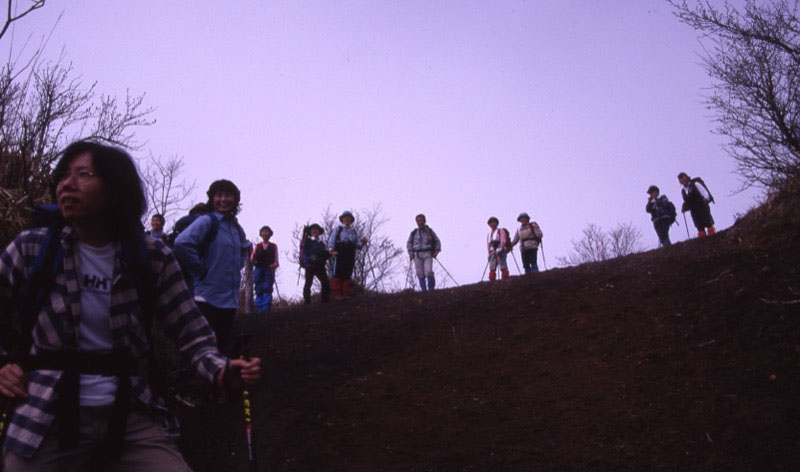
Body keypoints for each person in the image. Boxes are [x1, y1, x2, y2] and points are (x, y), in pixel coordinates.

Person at [0, 141, 260, 471]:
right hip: (45, 413)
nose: (67, 184)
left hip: (130, 413)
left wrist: (221, 370)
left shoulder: (151, 256)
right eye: (63, 175)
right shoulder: (33, 248)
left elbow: (191, 332)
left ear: (115, 189)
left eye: (83, 174)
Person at [174, 180, 249, 357]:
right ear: (212, 199)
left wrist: (238, 265)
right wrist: (199, 270)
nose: (223, 199)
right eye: (218, 195)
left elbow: (245, 247)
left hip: (229, 300)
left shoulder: (235, 227)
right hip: (206, 298)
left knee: (222, 348)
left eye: (228, 195)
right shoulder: (207, 221)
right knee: (206, 349)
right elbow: (182, 243)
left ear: (235, 200)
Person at [328, 211, 366, 300]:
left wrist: (362, 243)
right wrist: (331, 250)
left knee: (347, 273)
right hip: (340, 252)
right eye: (345, 217)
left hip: (350, 254)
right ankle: (336, 294)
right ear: (342, 219)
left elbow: (357, 245)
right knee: (338, 273)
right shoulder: (338, 229)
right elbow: (332, 239)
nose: (347, 219)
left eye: (349, 218)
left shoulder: (353, 232)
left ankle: (344, 294)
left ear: (351, 220)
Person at [406, 214, 442, 291]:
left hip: (427, 253)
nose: (420, 222)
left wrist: (436, 252)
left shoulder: (429, 231)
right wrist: (410, 253)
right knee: (420, 274)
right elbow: (409, 244)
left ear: (425, 221)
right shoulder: (413, 233)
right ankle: (424, 291)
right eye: (418, 221)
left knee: (428, 272)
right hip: (417, 255)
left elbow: (437, 241)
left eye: (421, 220)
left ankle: (431, 290)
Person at [250, 226, 279, 313]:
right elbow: (252, 258)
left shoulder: (273, 246)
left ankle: (265, 308)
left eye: (267, 232)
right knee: (258, 288)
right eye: (263, 232)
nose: (265, 233)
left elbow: (276, 260)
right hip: (258, 269)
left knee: (267, 288)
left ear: (270, 234)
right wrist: (253, 258)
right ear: (261, 234)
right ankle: (258, 309)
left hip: (268, 269)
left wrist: (274, 265)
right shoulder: (257, 246)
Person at [678, 172, 715, 237]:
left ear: (686, 177)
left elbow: (705, 193)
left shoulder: (695, 184)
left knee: (708, 222)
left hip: (702, 206)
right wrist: (684, 207)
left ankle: (713, 236)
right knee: (699, 225)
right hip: (693, 210)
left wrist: (705, 199)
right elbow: (687, 201)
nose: (682, 180)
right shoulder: (683, 191)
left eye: (683, 177)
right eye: (680, 179)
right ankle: (703, 239)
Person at [300, 224, 331, 304]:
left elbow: (324, 255)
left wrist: (329, 254)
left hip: (320, 265)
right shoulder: (307, 241)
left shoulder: (321, 244)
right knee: (308, 284)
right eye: (313, 229)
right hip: (310, 265)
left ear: (319, 232)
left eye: (317, 229)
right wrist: (305, 233)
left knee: (325, 283)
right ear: (310, 232)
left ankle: (325, 301)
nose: (315, 231)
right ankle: (307, 302)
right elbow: (305, 246)